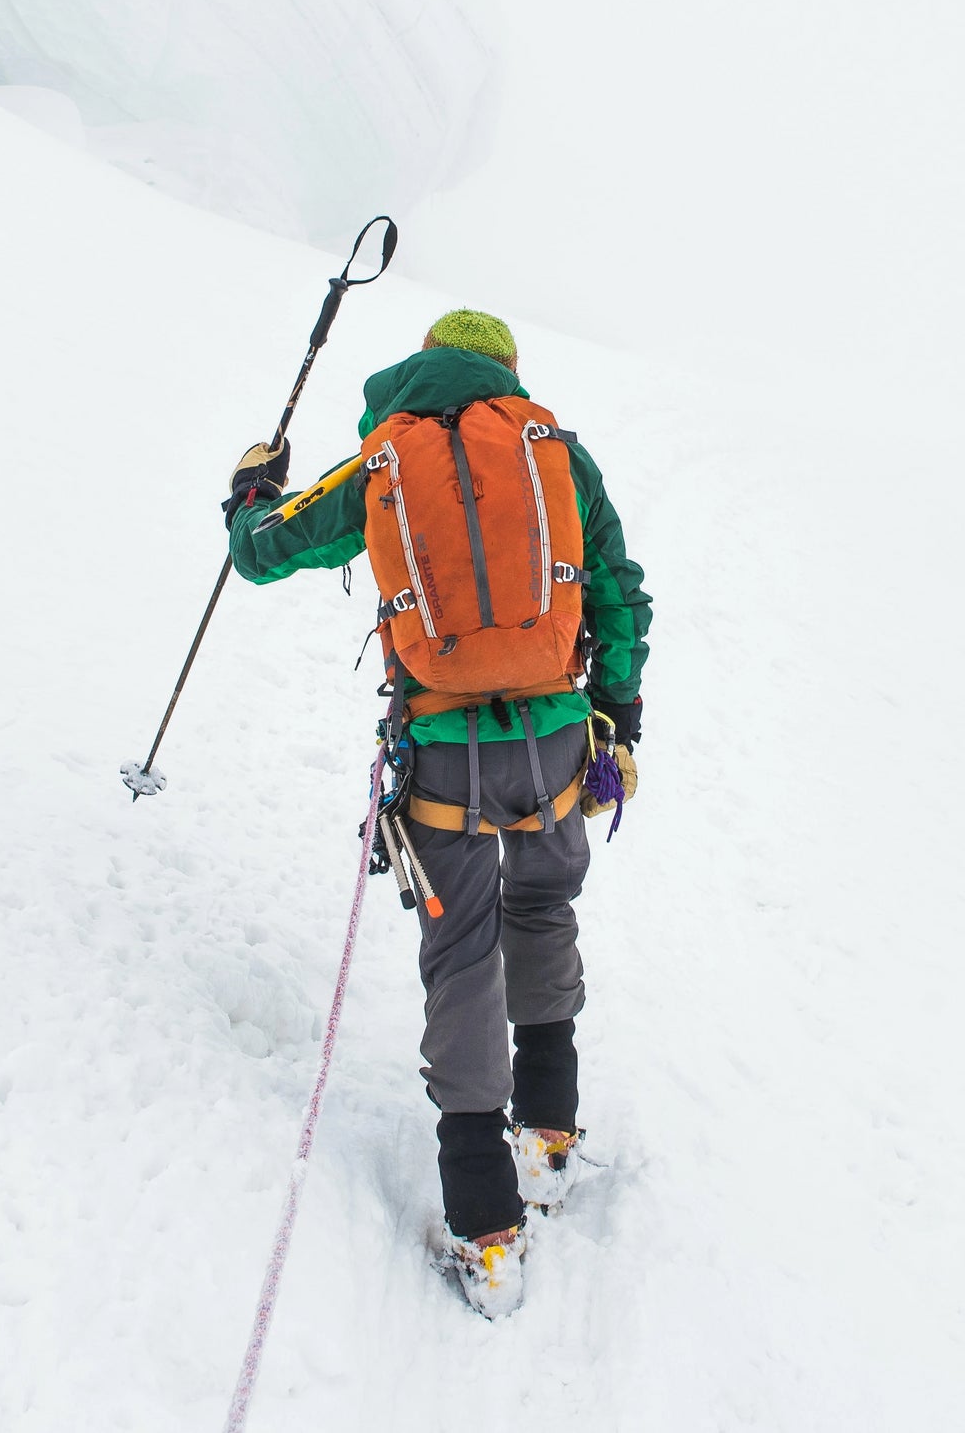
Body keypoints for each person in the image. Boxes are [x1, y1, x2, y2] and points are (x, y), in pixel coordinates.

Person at [223, 308, 651, 1316]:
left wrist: (252, 491)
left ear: (428, 365)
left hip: (444, 751)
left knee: (461, 957)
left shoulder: (383, 456)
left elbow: (265, 549)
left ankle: (487, 1230)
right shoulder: (559, 452)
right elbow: (619, 589)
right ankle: (547, 1138)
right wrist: (618, 712)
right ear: (505, 369)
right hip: (554, 739)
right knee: (543, 913)